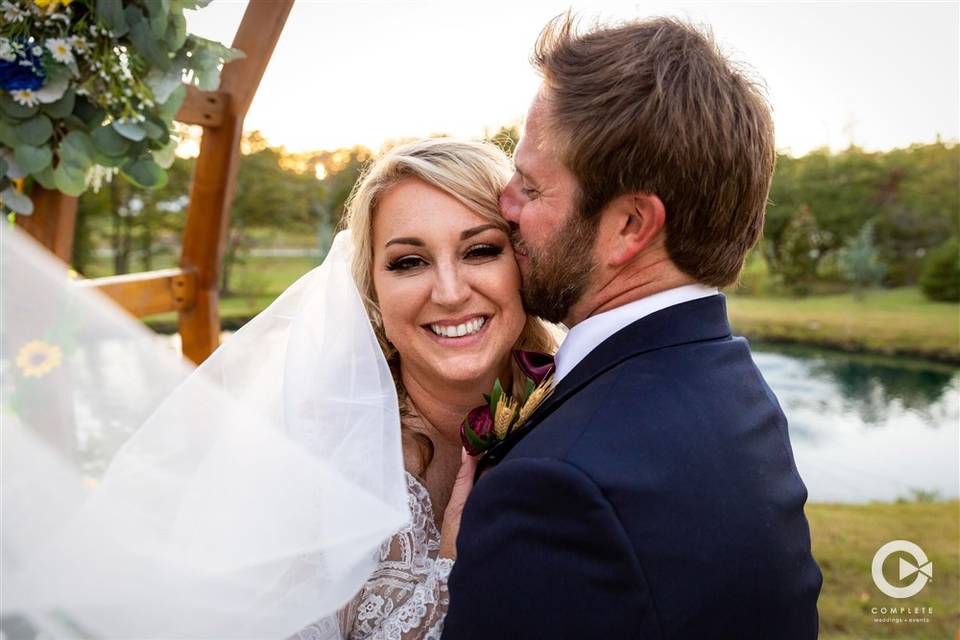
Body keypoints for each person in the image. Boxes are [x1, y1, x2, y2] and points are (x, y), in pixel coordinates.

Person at [441, 16, 823, 640]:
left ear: (628, 226)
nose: (503, 204)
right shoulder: (729, 382)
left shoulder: (557, 486)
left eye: (531, 187)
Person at [294, 138, 556, 639]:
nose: (451, 292)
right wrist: (451, 571)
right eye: (409, 262)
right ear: (370, 295)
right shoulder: (315, 462)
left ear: (525, 264)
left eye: (480, 251)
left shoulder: (585, 414)